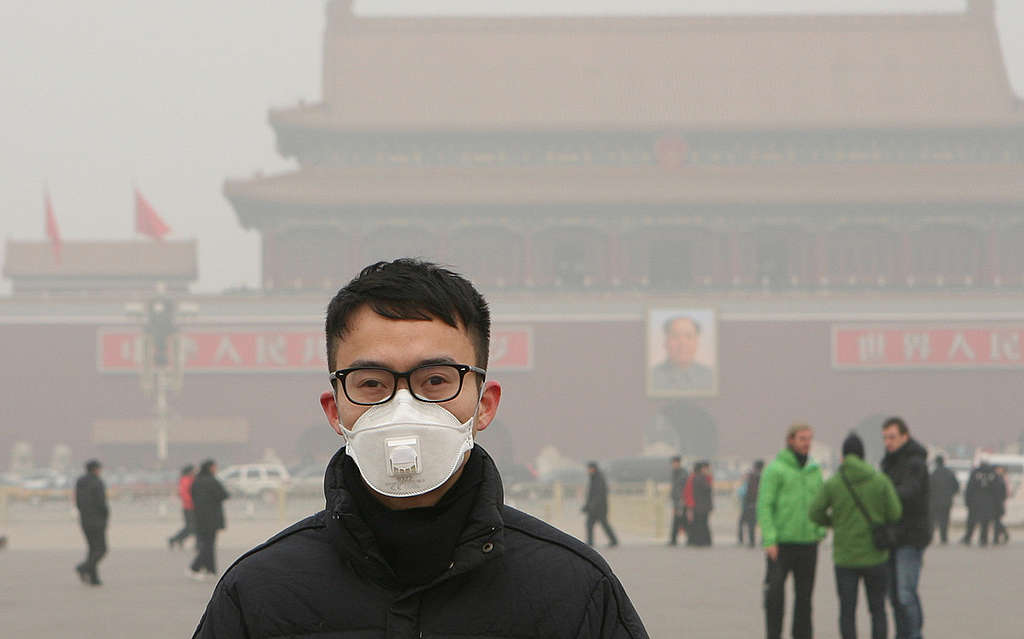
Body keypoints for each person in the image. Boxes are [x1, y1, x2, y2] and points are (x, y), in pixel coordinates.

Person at [192, 259, 648, 638]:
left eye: (435, 381)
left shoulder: (574, 590)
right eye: (372, 383)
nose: (404, 406)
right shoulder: (259, 594)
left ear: (484, 405)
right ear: (334, 412)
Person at [809, 433, 902, 639]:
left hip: (845, 558)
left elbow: (814, 512)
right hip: (876, 556)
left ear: (843, 456)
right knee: (877, 609)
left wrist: (835, 522)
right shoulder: (880, 480)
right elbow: (895, 512)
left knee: (847, 611)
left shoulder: (834, 483)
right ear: (863, 455)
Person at [757, 423, 826, 639]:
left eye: (809, 439)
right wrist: (769, 539)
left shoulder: (814, 470)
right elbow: (764, 505)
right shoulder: (775, 469)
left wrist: (819, 531)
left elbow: (821, 503)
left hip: (808, 543)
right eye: (802, 439)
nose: (807, 444)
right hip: (781, 545)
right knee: (775, 597)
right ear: (790, 440)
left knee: (805, 599)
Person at [881, 417, 930, 639]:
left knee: (905, 593)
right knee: (893, 595)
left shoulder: (915, 462)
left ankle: (914, 634)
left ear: (905, 436)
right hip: (892, 536)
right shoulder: (888, 462)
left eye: (892, 437)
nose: (888, 442)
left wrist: (885, 494)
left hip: (911, 536)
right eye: (885, 438)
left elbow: (910, 494)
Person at [649, 316, 714, 392]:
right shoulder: (651, 377)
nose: (683, 343)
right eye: (675, 336)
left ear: (697, 342)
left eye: (689, 337)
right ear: (666, 342)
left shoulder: (711, 377)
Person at [189, 459, 229, 580]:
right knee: (208, 545)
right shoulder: (212, 481)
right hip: (211, 518)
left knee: (207, 544)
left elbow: (192, 496)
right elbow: (223, 495)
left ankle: (210, 569)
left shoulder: (196, 481)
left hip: (199, 517)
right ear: (210, 468)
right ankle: (195, 567)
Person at [74, 459, 109, 586]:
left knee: (92, 549)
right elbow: (101, 503)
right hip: (97, 520)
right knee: (102, 549)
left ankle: (94, 578)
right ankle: (83, 568)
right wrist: (105, 516)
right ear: (95, 469)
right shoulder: (97, 482)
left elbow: (77, 501)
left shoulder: (80, 482)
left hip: (84, 519)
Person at [961, 462, 1000, 547]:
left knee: (971, 521)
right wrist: (997, 503)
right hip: (989, 502)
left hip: (975, 501)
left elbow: (969, 489)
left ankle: (968, 537)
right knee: (985, 522)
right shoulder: (993, 474)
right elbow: (997, 490)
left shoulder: (975, 473)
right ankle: (983, 539)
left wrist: (967, 501)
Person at [583, 461, 619, 548]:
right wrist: (587, 506)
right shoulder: (593, 478)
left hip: (600, 508)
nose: (588, 470)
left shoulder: (599, 479)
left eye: (590, 469)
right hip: (594, 507)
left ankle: (613, 540)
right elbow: (590, 494)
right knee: (590, 524)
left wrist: (591, 505)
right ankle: (591, 542)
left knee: (602, 524)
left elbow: (599, 494)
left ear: (594, 469)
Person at [928, 455, 959, 544]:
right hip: (946, 501)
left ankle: (931, 537)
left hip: (934, 501)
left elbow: (928, 488)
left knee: (932, 520)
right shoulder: (949, 473)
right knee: (944, 519)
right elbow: (956, 487)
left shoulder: (933, 474)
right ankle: (944, 538)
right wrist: (950, 494)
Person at [168, 464, 196, 549]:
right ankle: (174, 539)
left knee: (191, 527)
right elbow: (184, 494)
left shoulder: (191, 479)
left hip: (191, 507)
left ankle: (178, 539)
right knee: (191, 527)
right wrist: (193, 502)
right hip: (189, 507)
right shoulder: (185, 480)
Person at [686, 461, 713, 547]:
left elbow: (688, 493)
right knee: (701, 524)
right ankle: (703, 541)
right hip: (701, 506)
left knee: (700, 524)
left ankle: (699, 541)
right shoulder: (702, 478)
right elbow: (708, 489)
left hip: (698, 506)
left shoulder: (694, 478)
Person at [738, 459, 763, 547]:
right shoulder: (765, 476)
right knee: (762, 523)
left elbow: (746, 492)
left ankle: (751, 541)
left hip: (751, 504)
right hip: (761, 503)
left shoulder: (752, 477)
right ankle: (763, 541)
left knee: (750, 524)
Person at [668, 455, 688, 546]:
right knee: (678, 521)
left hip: (681, 501)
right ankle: (673, 540)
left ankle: (675, 539)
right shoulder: (674, 473)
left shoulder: (683, 474)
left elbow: (683, 489)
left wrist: (682, 501)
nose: (674, 465)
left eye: (675, 463)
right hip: (676, 501)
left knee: (681, 520)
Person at [992, 465, 1010, 545]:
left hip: (998, 504)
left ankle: (999, 536)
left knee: (997, 521)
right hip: (998, 503)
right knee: (997, 521)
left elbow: (1004, 493)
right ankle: (1000, 535)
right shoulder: (1000, 479)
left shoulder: (1000, 479)